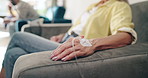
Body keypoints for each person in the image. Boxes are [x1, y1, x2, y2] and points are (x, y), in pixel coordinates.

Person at [0, 0, 137, 78]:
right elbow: (76, 29)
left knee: (18, 37)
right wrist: (60, 36)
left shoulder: (118, 5)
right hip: (65, 41)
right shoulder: (93, 7)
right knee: (14, 54)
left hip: (75, 47)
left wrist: (91, 43)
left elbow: (126, 36)